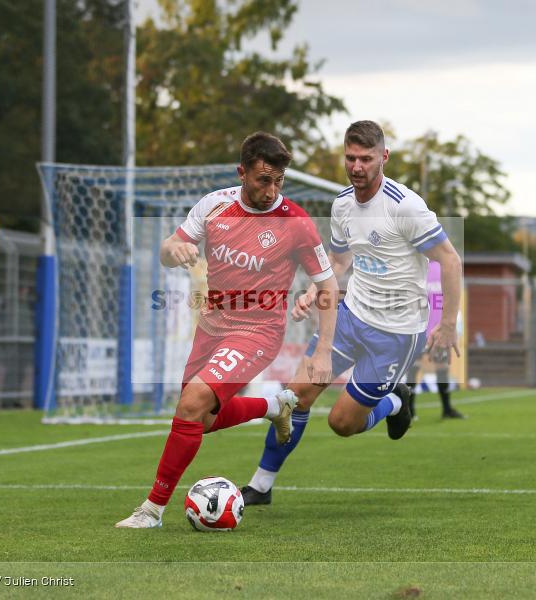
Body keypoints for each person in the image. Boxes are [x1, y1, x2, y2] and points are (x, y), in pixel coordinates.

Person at [115, 132, 339, 529]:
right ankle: (273, 406)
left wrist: (322, 352)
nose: (271, 190)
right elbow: (169, 249)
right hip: (212, 326)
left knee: (191, 405)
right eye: (262, 180)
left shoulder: (296, 223)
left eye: (278, 181)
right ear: (242, 173)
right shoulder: (214, 205)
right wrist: (176, 250)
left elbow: (327, 285)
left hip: (258, 331)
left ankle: (151, 510)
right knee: (197, 419)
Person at [240, 120, 463, 506]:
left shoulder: (405, 206)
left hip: (395, 334)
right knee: (294, 398)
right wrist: (314, 289)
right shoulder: (342, 203)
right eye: (350, 158)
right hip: (350, 316)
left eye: (365, 158)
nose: (357, 166)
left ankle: (396, 402)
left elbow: (449, 259)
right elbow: (339, 260)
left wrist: (447, 325)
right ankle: (260, 486)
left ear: (383, 157)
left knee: (342, 424)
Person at [405, 260, 464, 419]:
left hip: (439, 330)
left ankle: (446, 409)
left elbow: (451, 297)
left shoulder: (445, 267)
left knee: (441, 368)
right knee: (414, 368)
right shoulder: (417, 266)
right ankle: (409, 410)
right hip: (418, 329)